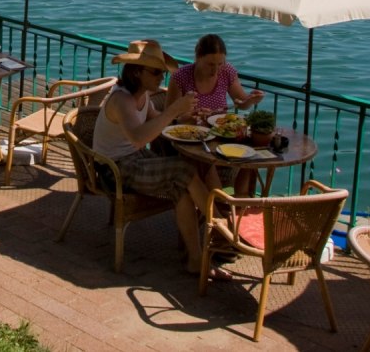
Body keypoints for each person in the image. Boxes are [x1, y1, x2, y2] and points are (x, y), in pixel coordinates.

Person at [94, 39, 224, 278]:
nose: (160, 78)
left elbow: (161, 124)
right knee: (185, 170)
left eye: (162, 73)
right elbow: (138, 138)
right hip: (114, 170)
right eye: (155, 72)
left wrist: (185, 118)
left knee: (181, 188)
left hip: (133, 159)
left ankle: (195, 259)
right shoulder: (121, 100)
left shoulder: (142, 97)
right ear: (136, 72)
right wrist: (174, 110)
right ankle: (223, 229)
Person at [165, 33, 265, 124]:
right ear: (197, 58)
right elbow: (169, 118)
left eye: (220, 64)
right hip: (188, 134)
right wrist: (188, 118)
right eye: (210, 64)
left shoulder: (227, 71)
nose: (215, 70)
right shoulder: (180, 76)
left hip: (219, 130)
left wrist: (251, 100)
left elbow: (242, 104)